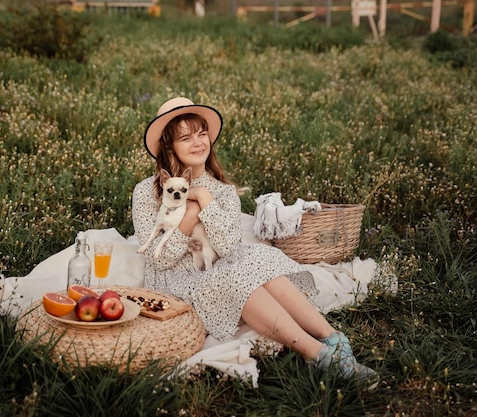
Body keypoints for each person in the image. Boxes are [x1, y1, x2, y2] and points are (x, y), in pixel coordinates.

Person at [132, 97, 378, 387]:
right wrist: (192, 209)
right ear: (169, 146)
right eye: (185, 137)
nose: (198, 142)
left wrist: (205, 197)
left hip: (216, 264)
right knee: (237, 272)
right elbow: (160, 259)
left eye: (201, 134)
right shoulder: (147, 192)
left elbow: (227, 247)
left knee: (255, 257)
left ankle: (334, 338)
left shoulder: (222, 191)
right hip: (176, 281)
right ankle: (317, 355)